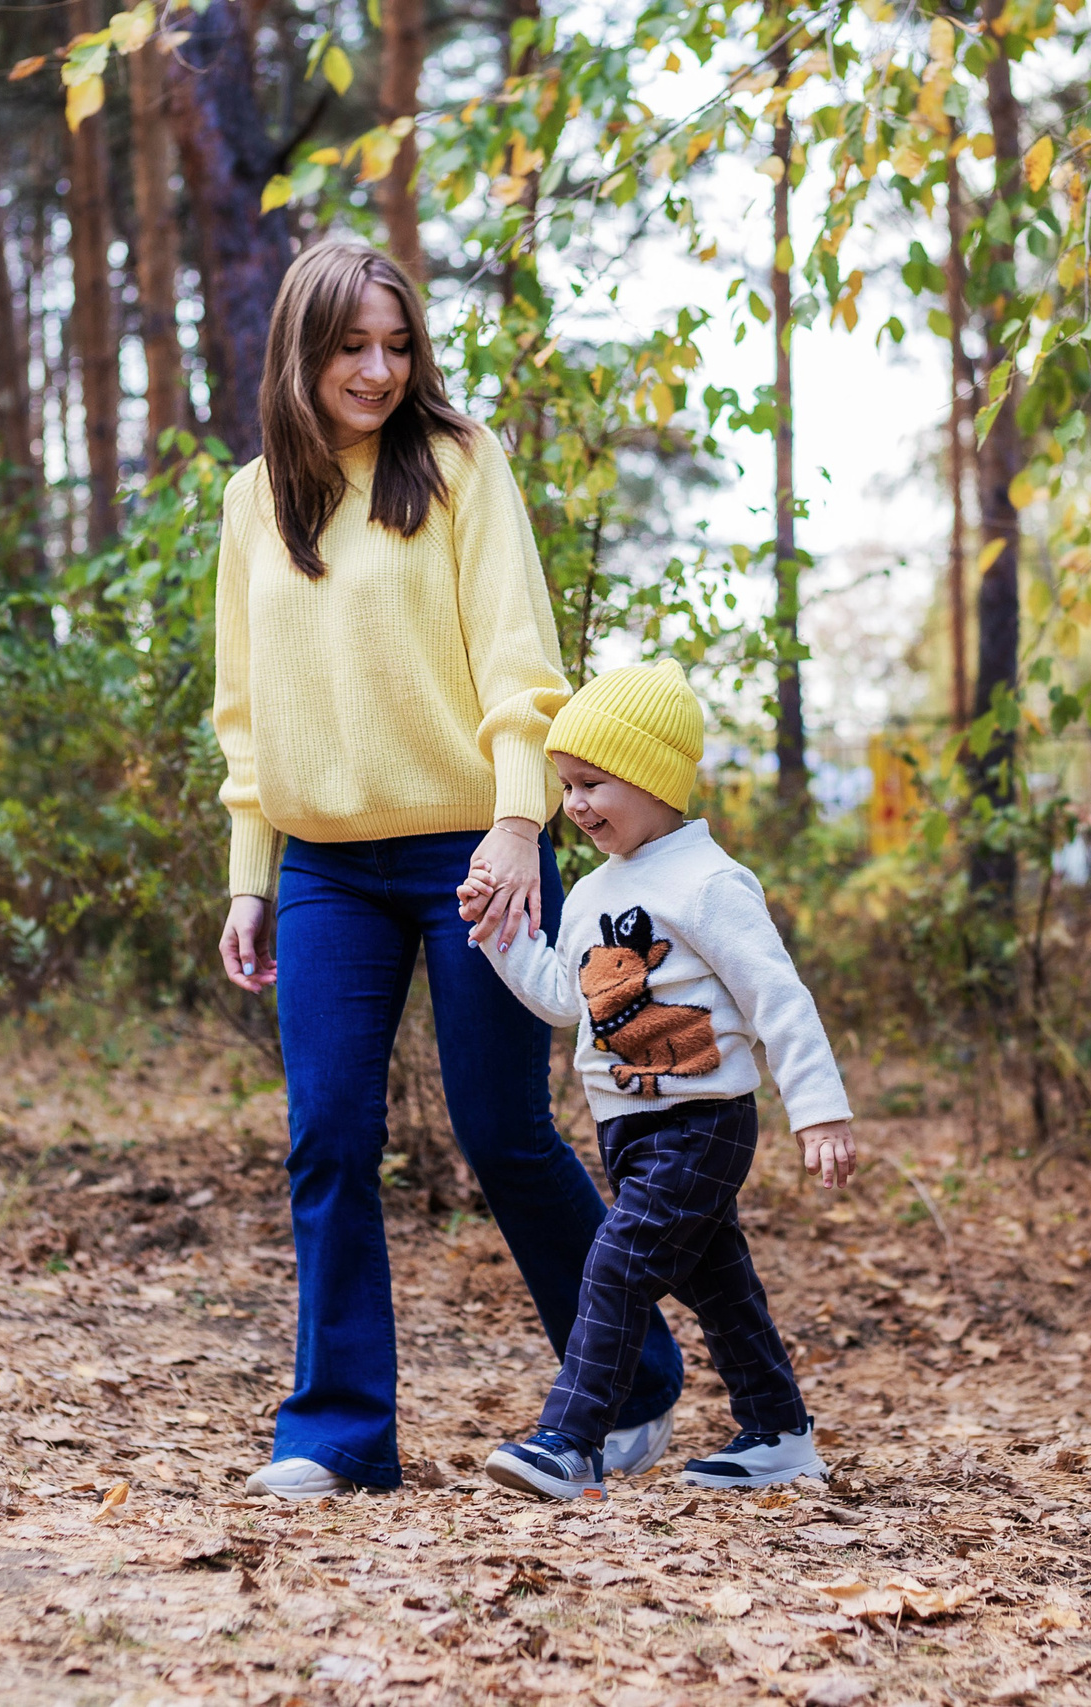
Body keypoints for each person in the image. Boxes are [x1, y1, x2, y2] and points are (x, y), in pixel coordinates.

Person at [213, 243, 683, 1499]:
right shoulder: (253, 501)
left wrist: (520, 822)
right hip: (322, 867)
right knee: (327, 1137)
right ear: (299, 352)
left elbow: (521, 662)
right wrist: (249, 871)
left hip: (470, 851)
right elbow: (245, 716)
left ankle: (633, 1377)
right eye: (351, 346)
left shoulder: (461, 465)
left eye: (397, 345)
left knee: (501, 1129)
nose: (378, 370)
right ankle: (336, 1433)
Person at [454, 662, 857, 1499]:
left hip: (703, 1121)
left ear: (653, 778)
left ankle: (570, 1441)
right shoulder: (594, 892)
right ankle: (779, 1432)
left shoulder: (709, 884)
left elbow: (777, 997)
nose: (576, 806)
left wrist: (817, 1111)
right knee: (718, 1279)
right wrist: (499, 935)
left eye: (593, 783)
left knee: (617, 1259)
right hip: (627, 1129)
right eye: (567, 787)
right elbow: (567, 1002)